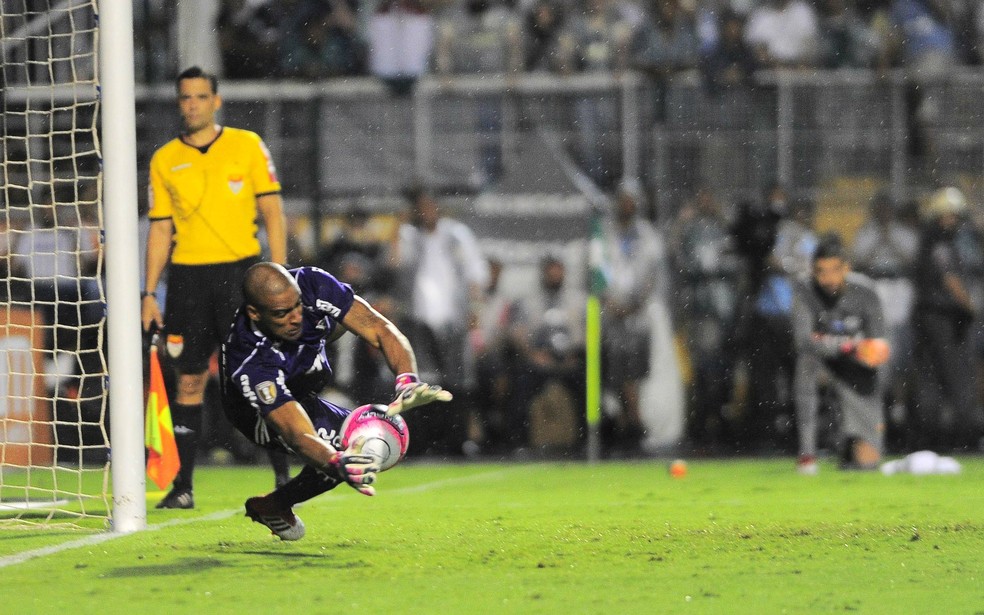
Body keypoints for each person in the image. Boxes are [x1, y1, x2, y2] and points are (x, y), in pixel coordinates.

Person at [141, 66, 289, 509]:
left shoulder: (247, 146)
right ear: (179, 103)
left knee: (259, 377)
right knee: (188, 379)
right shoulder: (165, 159)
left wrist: (279, 276)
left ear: (216, 101)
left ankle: (283, 480)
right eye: (185, 97)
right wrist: (149, 292)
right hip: (188, 279)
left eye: (201, 97)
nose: (192, 104)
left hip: (241, 275)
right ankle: (183, 486)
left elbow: (274, 214)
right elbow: (160, 230)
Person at [220, 262, 451, 540]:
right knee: (343, 450)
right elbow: (297, 433)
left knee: (364, 441)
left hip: (302, 386)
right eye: (282, 313)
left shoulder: (312, 284)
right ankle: (278, 504)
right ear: (255, 313)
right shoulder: (249, 356)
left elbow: (378, 327)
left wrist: (407, 381)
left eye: (297, 306)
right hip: (256, 412)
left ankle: (274, 505)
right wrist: (336, 462)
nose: (295, 318)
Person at [389, 186, 489, 455]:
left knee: (457, 383)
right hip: (417, 320)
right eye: (420, 208)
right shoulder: (409, 236)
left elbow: (475, 273)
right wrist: (398, 227)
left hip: (453, 320)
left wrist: (475, 309)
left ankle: (456, 441)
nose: (426, 212)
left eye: (430, 206)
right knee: (421, 384)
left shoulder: (456, 235)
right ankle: (421, 443)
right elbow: (394, 264)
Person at [792, 234, 888, 475]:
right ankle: (807, 455)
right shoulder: (804, 290)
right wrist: (848, 346)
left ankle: (850, 443)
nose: (828, 279)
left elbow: (880, 344)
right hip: (822, 366)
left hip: (856, 370)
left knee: (867, 463)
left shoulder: (865, 292)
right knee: (806, 364)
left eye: (835, 270)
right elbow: (803, 341)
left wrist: (865, 351)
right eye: (820, 271)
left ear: (847, 267)